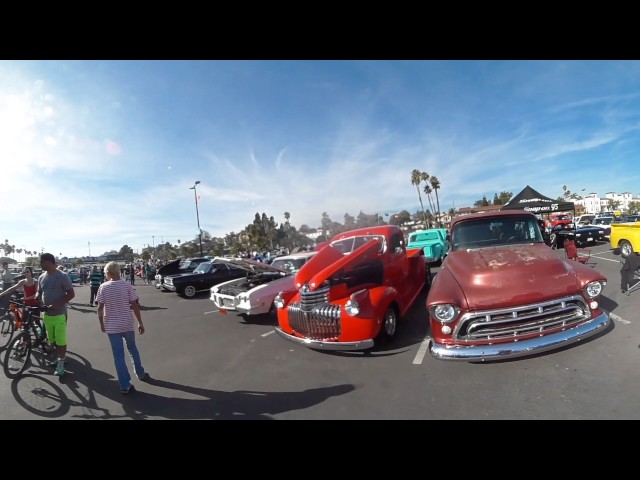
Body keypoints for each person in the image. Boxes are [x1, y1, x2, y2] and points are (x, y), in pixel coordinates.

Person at [96, 261, 150, 394]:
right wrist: (140, 322)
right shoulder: (126, 285)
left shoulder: (103, 287)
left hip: (112, 326)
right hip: (126, 324)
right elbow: (135, 305)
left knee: (118, 356)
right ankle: (140, 372)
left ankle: (125, 385)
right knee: (132, 349)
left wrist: (102, 324)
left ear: (108, 273)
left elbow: (99, 308)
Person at [35, 253, 75, 377]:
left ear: (50, 262)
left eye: (42, 262)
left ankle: (61, 363)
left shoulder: (62, 276)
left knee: (60, 340)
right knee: (52, 340)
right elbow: (39, 291)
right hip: (47, 315)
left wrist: (57, 305)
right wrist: (37, 295)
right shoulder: (42, 277)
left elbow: (71, 294)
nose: (41, 264)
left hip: (60, 315)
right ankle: (60, 358)